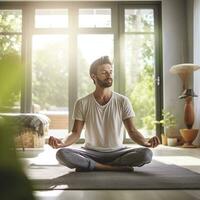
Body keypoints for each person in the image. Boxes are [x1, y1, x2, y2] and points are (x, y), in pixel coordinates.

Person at [48, 56, 160, 172]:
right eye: (104, 72)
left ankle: (93, 166)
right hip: (90, 152)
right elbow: (75, 133)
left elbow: (132, 131)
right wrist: (62, 143)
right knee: (62, 154)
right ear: (93, 76)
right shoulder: (82, 102)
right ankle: (113, 167)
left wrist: (145, 142)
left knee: (146, 154)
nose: (109, 75)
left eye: (110, 72)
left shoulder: (123, 101)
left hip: (118, 152)